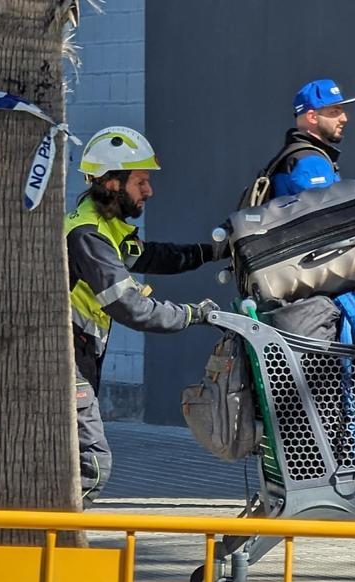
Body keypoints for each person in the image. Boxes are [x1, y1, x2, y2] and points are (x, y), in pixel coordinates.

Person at [67, 126, 226, 507]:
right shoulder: (88, 236)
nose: (149, 191)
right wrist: (195, 314)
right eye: (141, 182)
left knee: (68, 460)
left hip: (79, 351)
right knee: (91, 465)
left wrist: (214, 252)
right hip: (63, 355)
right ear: (111, 182)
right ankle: (56, 543)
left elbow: (156, 256)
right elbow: (132, 308)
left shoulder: (106, 228)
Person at [265, 78, 355, 198]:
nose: (344, 119)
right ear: (312, 117)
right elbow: (325, 213)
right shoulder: (312, 162)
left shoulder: (294, 155)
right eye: (334, 112)